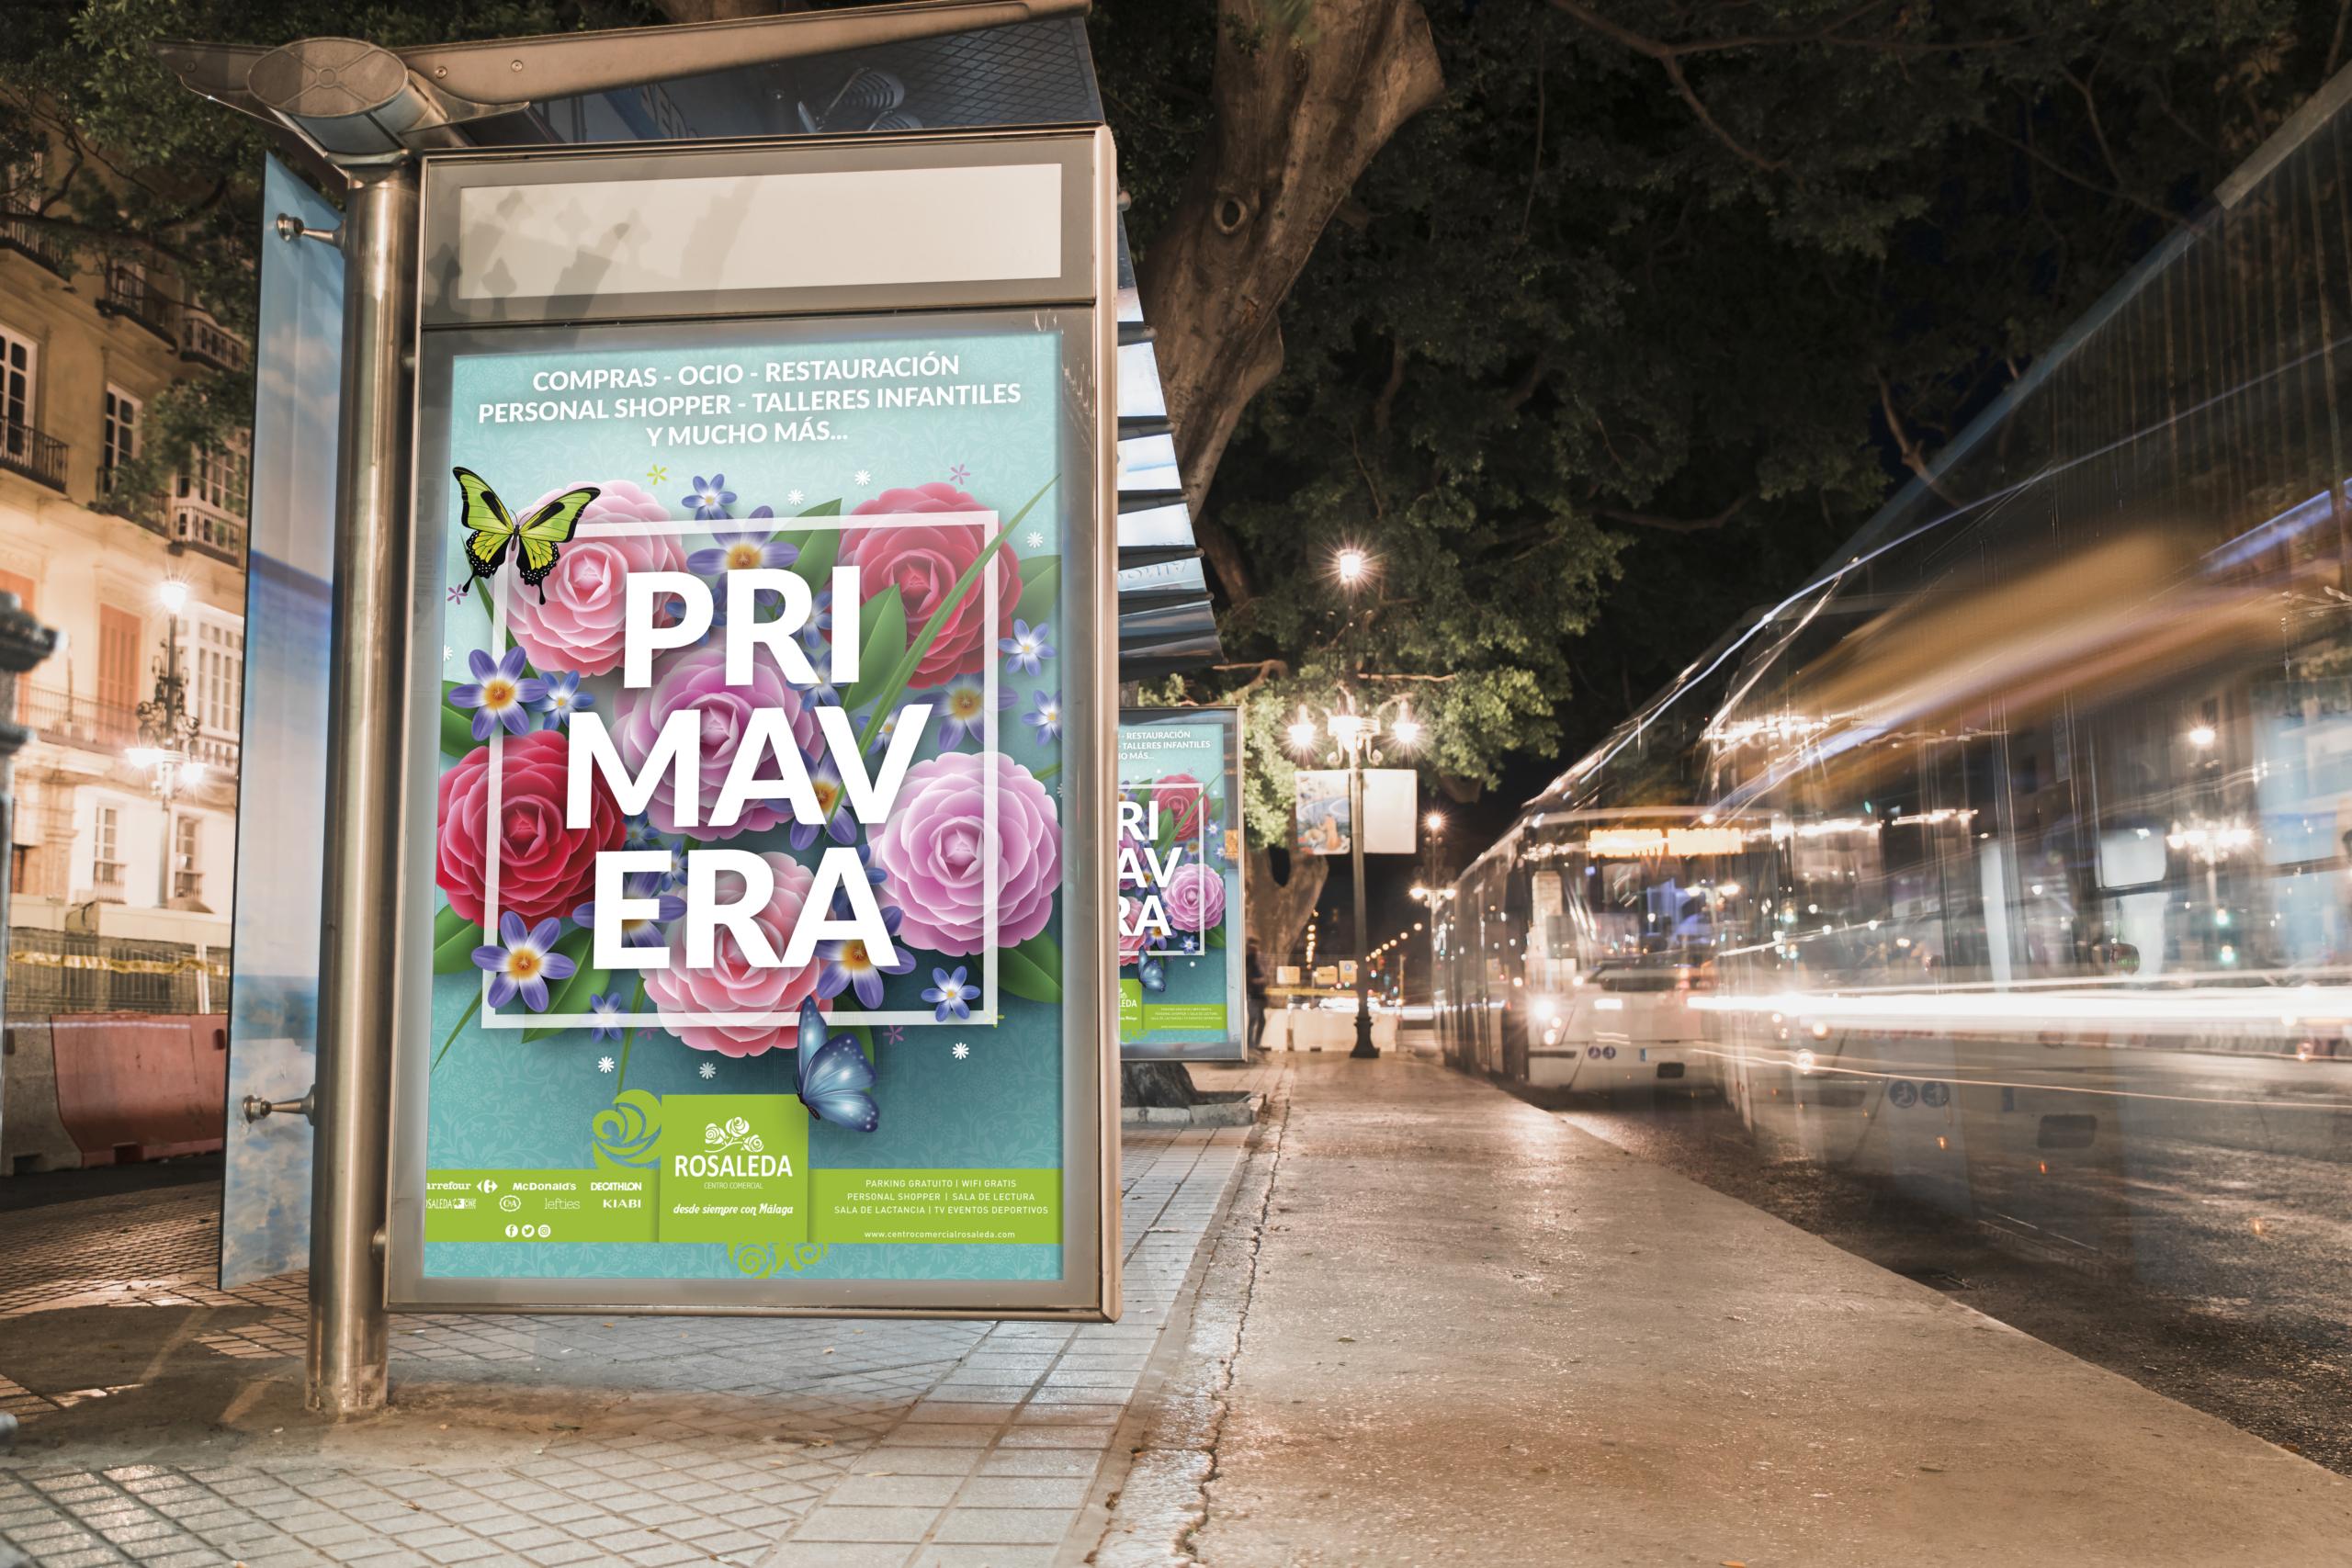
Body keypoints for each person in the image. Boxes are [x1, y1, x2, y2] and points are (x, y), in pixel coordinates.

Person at [1245, 939, 1270, 1055]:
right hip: (1253, 995)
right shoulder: (1248, 961)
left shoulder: (1257, 960)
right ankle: (1250, 1045)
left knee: (1261, 1020)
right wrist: (1259, 981)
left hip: (1259, 995)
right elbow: (1249, 979)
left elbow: (1265, 976)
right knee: (1254, 1019)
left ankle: (1256, 1043)